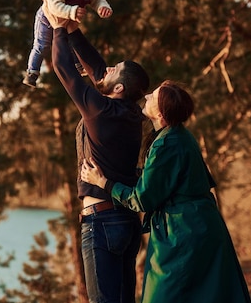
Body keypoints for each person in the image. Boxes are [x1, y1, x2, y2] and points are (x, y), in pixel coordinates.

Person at [81, 81, 251, 303]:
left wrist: (103, 182)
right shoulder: (178, 135)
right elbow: (163, 178)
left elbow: (140, 199)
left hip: (183, 232)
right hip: (198, 226)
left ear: (160, 114)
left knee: (161, 296)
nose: (148, 94)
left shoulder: (167, 144)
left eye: (154, 96)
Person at [50, 17, 149, 303]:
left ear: (119, 89)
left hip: (102, 222)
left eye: (114, 69)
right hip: (127, 221)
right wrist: (73, 31)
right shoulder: (130, 114)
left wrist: (57, 27)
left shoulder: (101, 112)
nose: (107, 68)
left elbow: (64, 70)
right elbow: (98, 73)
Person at [23, 0, 113, 88]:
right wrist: (72, 11)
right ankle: (32, 72)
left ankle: (79, 66)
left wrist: (103, 7)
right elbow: (53, 5)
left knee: (72, 42)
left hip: (66, 21)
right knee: (42, 45)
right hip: (47, 17)